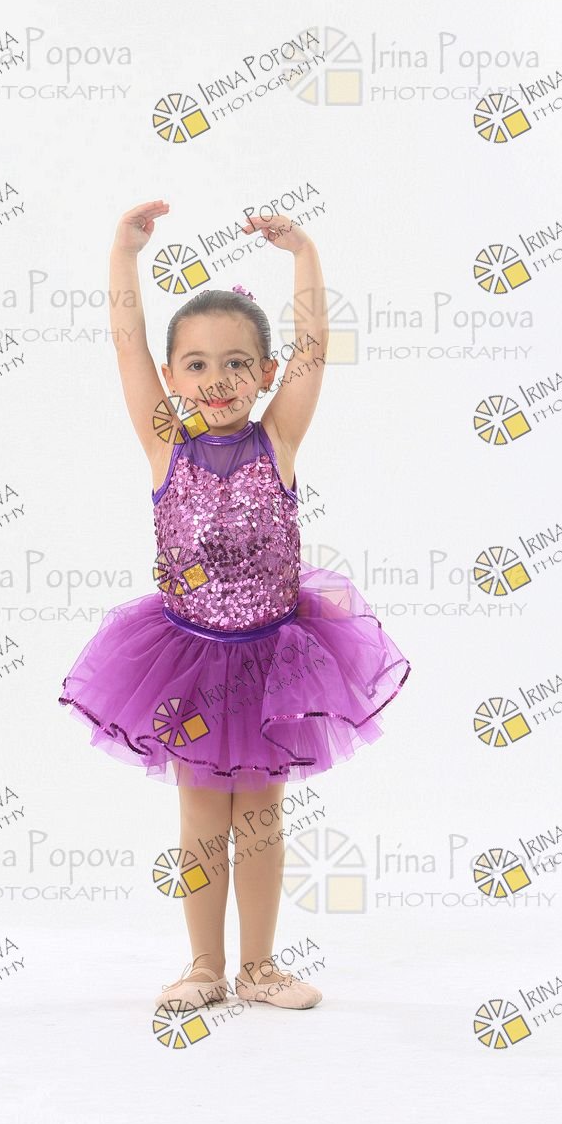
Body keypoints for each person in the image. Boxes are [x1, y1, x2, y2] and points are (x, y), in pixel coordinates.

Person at [58, 200, 412, 1013]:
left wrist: (305, 254)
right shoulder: (165, 446)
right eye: (196, 364)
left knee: (260, 819)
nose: (216, 381)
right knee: (199, 819)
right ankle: (203, 966)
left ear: (264, 373)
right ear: (172, 376)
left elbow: (315, 347)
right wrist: (123, 256)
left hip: (273, 659)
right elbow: (125, 343)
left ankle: (259, 968)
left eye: (236, 364)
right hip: (187, 660)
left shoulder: (276, 441)